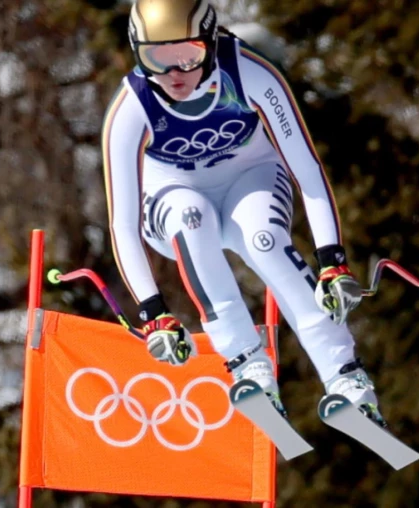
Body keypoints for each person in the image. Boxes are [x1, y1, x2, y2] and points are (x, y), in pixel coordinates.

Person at [100, 0, 386, 427]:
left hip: (249, 177)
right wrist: (153, 311)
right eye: (157, 58)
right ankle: (246, 360)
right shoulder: (131, 106)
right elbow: (122, 224)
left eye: (188, 56)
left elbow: (306, 167)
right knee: (190, 215)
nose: (174, 74)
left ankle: (344, 375)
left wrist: (331, 260)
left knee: (264, 239)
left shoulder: (250, 73)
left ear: (211, 42)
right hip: (171, 197)